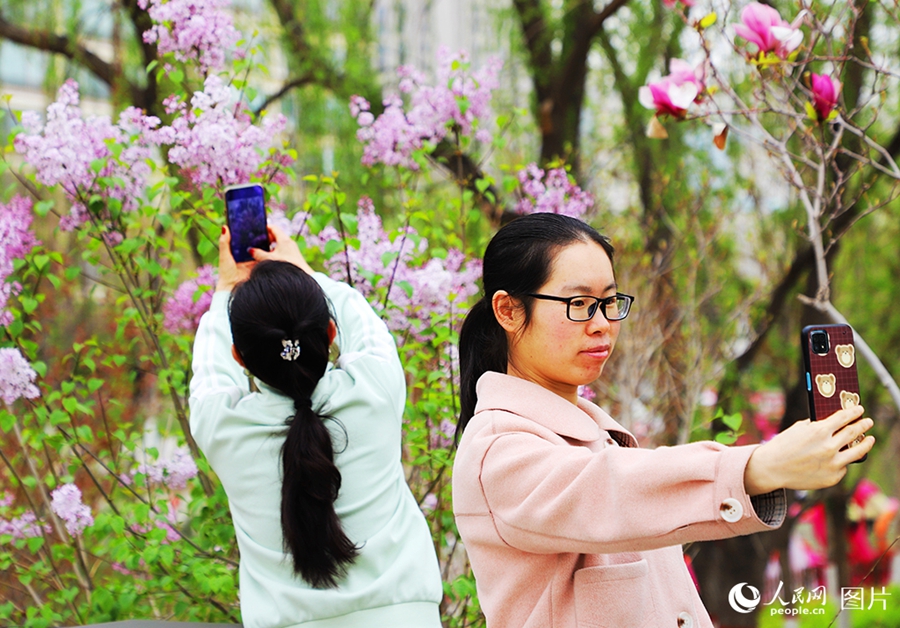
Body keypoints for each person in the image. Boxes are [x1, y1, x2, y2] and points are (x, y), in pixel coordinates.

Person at [451, 213, 874, 628]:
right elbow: (608, 490)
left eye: (609, 303)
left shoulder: (601, 438)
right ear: (507, 310)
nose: (601, 326)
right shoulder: (496, 451)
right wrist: (756, 467)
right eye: (578, 304)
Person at [189, 225, 443, 628]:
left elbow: (211, 370)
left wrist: (226, 289)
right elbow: (363, 322)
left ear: (241, 356)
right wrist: (303, 270)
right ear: (329, 331)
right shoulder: (373, 389)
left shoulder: (223, 427)